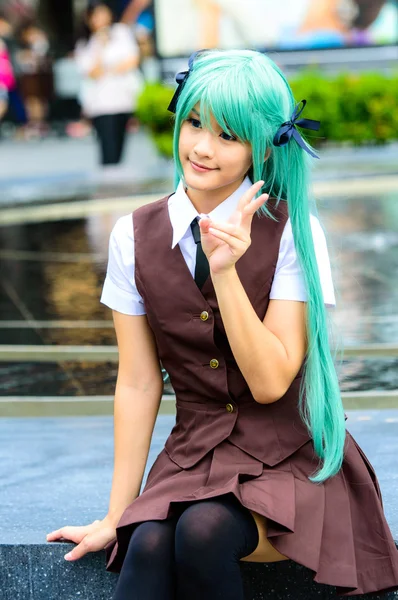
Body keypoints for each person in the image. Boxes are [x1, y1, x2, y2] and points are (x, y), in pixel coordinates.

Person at [46, 49, 398, 598]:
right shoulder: (132, 236)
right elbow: (138, 383)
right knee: (149, 543)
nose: (203, 148)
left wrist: (225, 272)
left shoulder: (293, 231)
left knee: (202, 531)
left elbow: (271, 382)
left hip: (289, 457)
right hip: (194, 454)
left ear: (262, 146)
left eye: (228, 136)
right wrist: (116, 514)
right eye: (193, 123)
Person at [74, 3, 143, 166]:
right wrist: (100, 45)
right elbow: (92, 71)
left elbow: (132, 60)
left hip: (123, 98)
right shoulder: (86, 44)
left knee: (119, 144)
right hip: (101, 104)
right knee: (107, 147)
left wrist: (110, 68)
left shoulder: (121, 32)